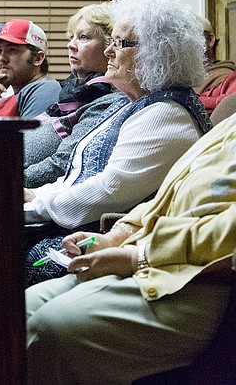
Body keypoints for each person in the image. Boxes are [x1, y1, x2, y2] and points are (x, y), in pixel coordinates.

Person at [26, 111, 236, 384]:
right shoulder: (230, 121)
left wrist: (141, 257)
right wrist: (117, 236)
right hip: (158, 256)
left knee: (53, 325)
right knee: (24, 306)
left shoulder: (169, 112)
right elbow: (166, 196)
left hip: (203, 277)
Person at [23, 0, 211, 286]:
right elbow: (79, 173)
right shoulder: (132, 102)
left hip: (106, 235)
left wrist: (34, 208)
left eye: (121, 43)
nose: (109, 50)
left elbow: (109, 190)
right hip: (71, 220)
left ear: (156, 53)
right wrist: (36, 195)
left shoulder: (167, 113)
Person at [23, 3, 119, 188]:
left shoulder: (109, 100)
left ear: (110, 48)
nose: (70, 45)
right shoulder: (74, 92)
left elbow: (63, 164)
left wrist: (2, 178)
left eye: (83, 37)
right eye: (71, 37)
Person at [0, 19, 60, 119]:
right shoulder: (2, 100)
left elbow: (29, 135)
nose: (1, 58)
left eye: (12, 50)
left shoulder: (46, 90)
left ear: (37, 58)